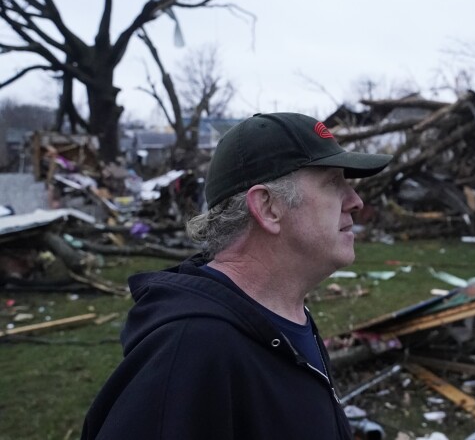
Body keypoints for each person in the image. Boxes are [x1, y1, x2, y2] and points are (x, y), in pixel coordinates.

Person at [81, 113, 392, 440]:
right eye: (333, 183)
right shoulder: (192, 350)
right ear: (268, 207)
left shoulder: (284, 318)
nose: (356, 201)